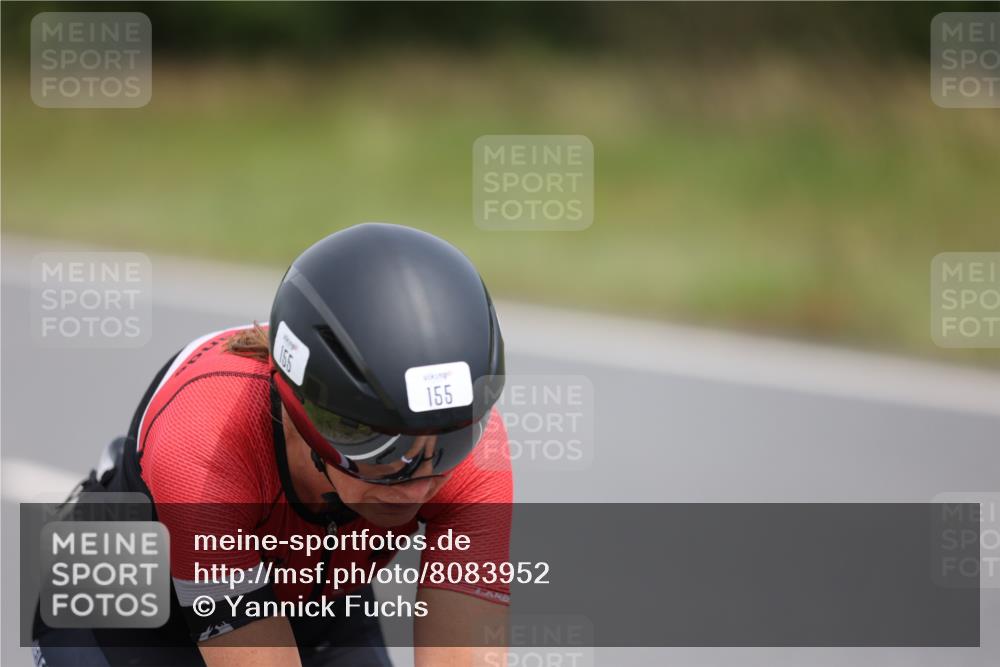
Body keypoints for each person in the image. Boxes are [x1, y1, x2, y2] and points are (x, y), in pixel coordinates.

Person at [32, 223, 513, 667]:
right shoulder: (205, 444)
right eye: (380, 448)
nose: (415, 482)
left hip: (314, 598)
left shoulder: (476, 451)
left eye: (449, 443)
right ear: (303, 408)